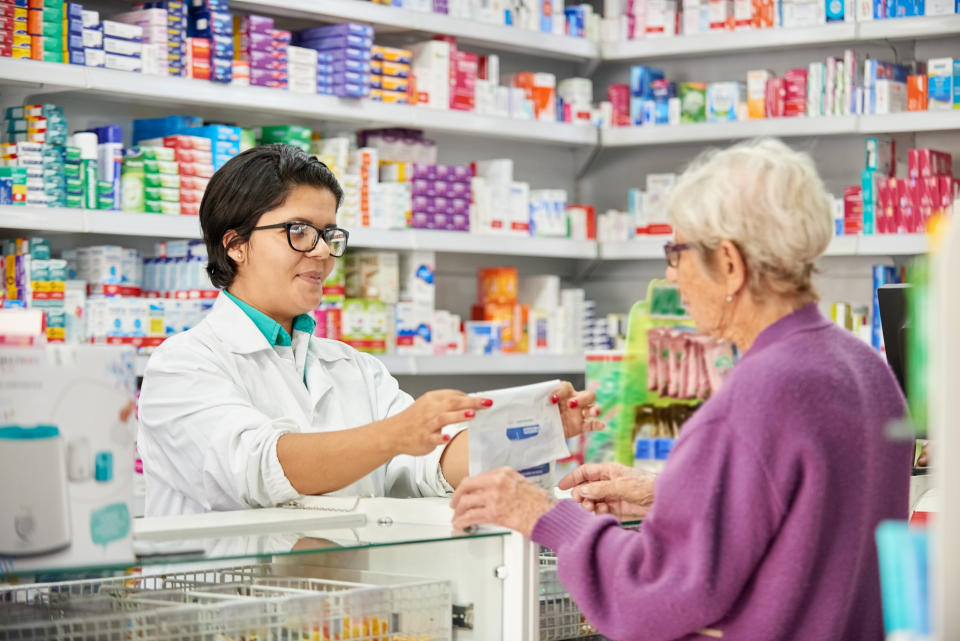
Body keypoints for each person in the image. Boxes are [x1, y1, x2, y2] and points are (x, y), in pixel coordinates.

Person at [451, 138, 914, 640]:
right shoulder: (865, 368)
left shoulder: (756, 397)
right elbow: (806, 530)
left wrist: (545, 515)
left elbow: (651, 598)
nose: (669, 274)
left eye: (676, 252)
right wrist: (673, 497)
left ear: (731, 264)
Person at [137, 144, 602, 517]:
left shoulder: (352, 367)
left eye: (329, 234)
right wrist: (394, 434)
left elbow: (423, 466)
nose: (321, 252)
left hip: (341, 606)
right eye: (299, 231)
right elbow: (258, 469)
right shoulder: (183, 365)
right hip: (220, 610)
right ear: (236, 244)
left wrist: (529, 428)